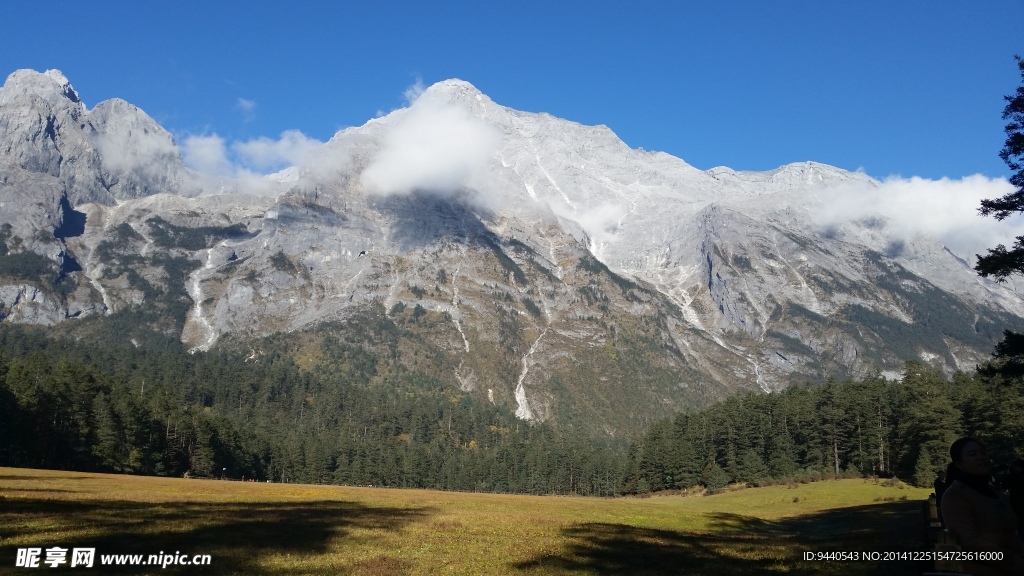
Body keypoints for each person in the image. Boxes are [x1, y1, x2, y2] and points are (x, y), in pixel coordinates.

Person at [940, 437, 1024, 576]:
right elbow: (971, 545)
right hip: (985, 569)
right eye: (973, 454)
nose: (982, 457)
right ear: (959, 463)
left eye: (983, 453)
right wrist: (1015, 563)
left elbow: (1011, 533)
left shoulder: (994, 492)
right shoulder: (956, 495)